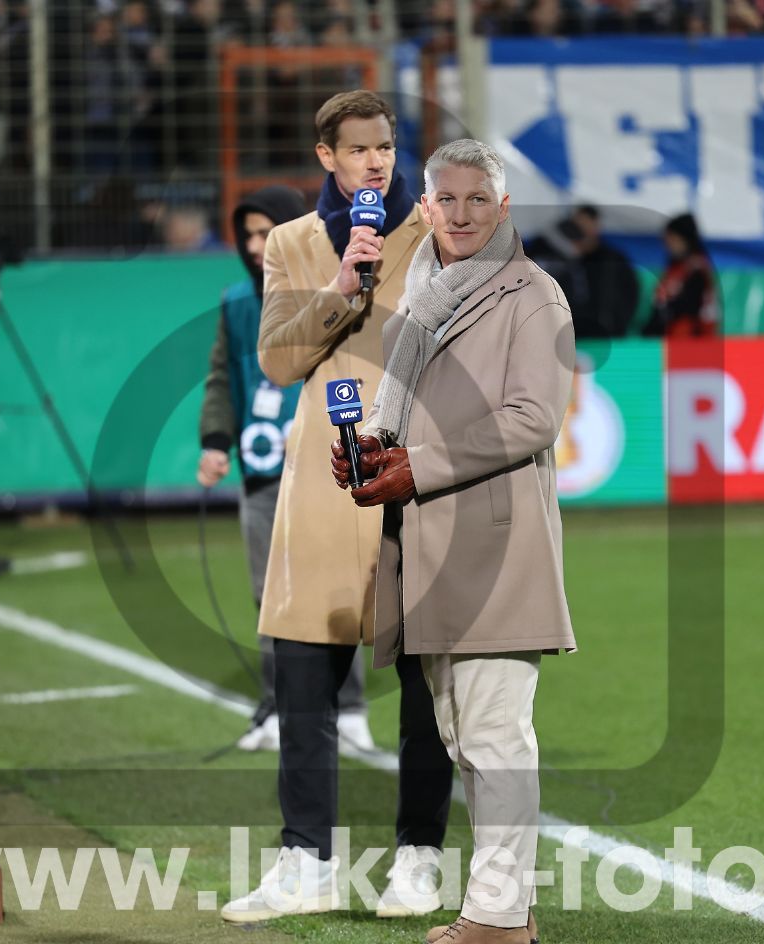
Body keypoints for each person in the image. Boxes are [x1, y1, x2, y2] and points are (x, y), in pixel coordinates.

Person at [332, 138, 576, 944]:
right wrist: (372, 447)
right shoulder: (421, 290)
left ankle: (498, 921)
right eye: (448, 199)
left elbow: (533, 418)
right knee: (463, 735)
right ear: (426, 207)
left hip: (493, 547)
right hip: (429, 544)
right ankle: (507, 908)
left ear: (502, 207)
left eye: (479, 199)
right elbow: (404, 407)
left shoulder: (532, 294)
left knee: (494, 734)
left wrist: (417, 467)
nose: (462, 214)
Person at [222, 90, 454, 924]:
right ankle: (305, 863)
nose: (374, 161)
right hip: (324, 480)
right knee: (303, 680)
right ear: (326, 156)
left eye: (384, 146)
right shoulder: (290, 243)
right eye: (357, 149)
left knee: (426, 684)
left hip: (413, 472)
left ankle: (419, 859)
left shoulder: (437, 228)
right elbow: (278, 362)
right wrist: (339, 283)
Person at [196, 185, 373, 754]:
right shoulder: (235, 302)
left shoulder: (332, 290)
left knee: (337, 588)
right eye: (246, 234)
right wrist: (215, 441)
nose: (254, 245)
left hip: (324, 467)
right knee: (269, 596)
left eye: (264, 232)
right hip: (262, 470)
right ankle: (277, 706)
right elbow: (222, 376)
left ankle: (349, 708)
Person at [528, 205, 638, 339]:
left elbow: (629, 296)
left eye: (587, 225)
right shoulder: (551, 257)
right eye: (578, 226)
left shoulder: (611, 260)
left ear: (597, 226)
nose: (583, 230)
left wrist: (614, 327)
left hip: (602, 336)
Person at [644, 212, 719, 337]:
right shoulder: (677, 267)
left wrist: (664, 314)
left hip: (689, 340)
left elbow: (691, 308)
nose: (668, 244)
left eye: (672, 238)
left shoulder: (696, 270)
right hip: (673, 338)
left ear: (685, 239)